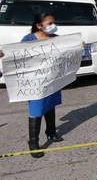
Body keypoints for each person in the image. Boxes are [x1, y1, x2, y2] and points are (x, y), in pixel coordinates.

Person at [13, 13, 64, 158]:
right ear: (39, 25)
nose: (53, 25)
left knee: (50, 105)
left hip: (51, 80)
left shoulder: (55, 38)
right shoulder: (28, 39)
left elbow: (66, 52)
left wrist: (78, 45)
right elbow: (15, 55)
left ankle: (51, 133)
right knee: (36, 110)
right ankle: (33, 143)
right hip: (35, 83)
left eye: (54, 22)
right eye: (49, 23)